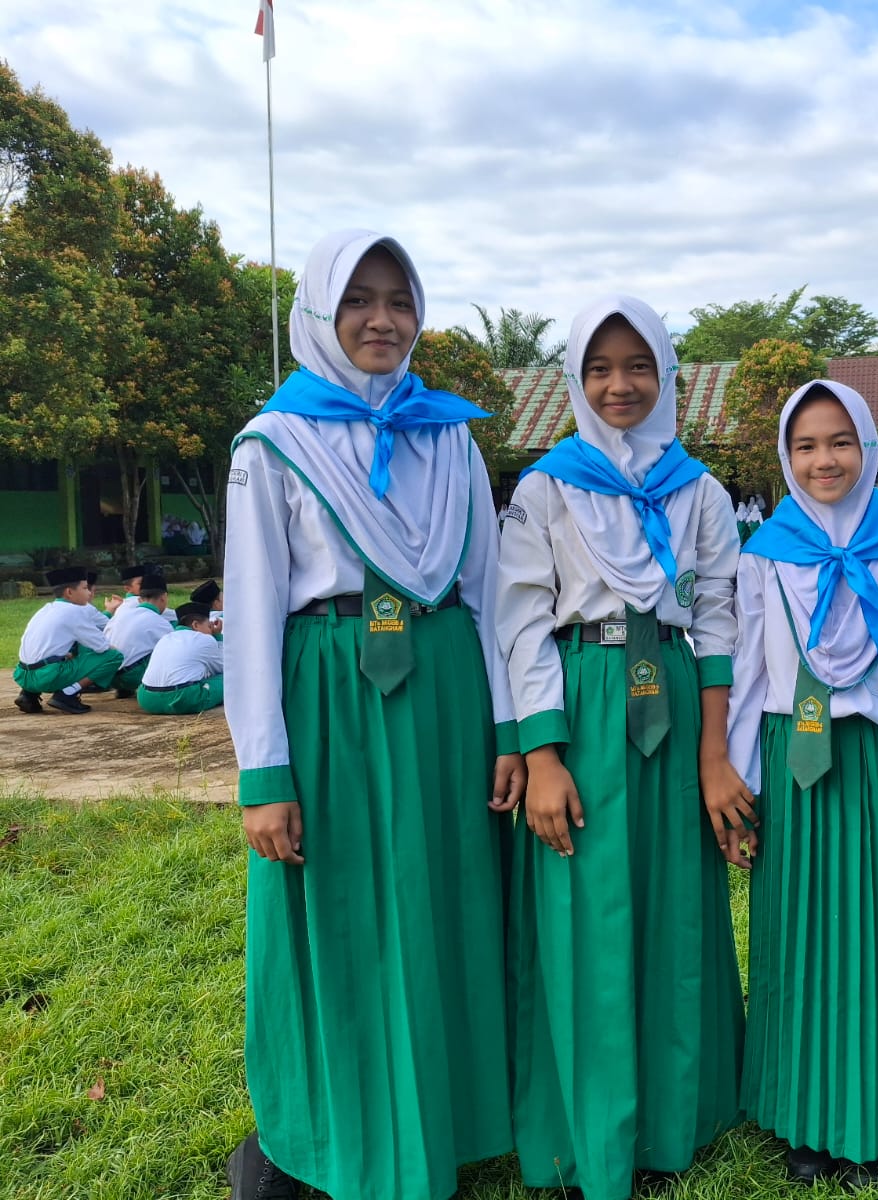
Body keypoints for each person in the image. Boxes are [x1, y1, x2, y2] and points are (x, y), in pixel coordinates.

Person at [223, 229, 521, 1200]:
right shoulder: (275, 442)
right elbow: (256, 607)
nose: (381, 319)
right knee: (340, 913)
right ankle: (326, 1134)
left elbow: (487, 592)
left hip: (442, 693)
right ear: (319, 312)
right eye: (359, 298)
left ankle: (444, 1125)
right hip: (330, 698)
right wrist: (264, 773)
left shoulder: (451, 436)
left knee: (444, 903)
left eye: (398, 298)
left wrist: (509, 728)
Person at [496, 295, 743, 1200]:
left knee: (675, 905)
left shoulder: (699, 490)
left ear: (667, 373)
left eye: (638, 365)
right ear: (574, 380)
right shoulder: (546, 486)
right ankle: (580, 1137)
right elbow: (520, 619)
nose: (620, 385)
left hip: (675, 696)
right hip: (586, 693)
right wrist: (545, 752)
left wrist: (715, 752)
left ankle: (673, 1121)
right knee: (584, 912)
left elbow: (718, 618)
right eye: (599, 368)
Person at [730, 380, 878, 1188]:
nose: (823, 459)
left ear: (867, 448)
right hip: (794, 770)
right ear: (785, 459)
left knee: (877, 938)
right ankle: (803, 1117)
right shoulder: (765, 552)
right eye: (805, 445)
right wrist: (741, 786)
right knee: (798, 941)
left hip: (876, 766)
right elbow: (748, 673)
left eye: (839, 442)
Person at [12, 567, 123, 715]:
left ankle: (29, 695)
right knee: (114, 656)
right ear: (69, 592)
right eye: (85, 588)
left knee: (61, 655)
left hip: (22, 675)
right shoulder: (75, 612)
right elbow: (102, 647)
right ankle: (67, 694)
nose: (89, 593)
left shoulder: (45, 609)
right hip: (47, 677)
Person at [137, 602, 225, 713]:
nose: (210, 630)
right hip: (181, 698)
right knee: (231, 678)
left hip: (147, 699)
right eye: (209, 626)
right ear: (196, 625)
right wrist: (217, 636)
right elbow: (225, 666)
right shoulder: (204, 639)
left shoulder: (165, 638)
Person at [105, 568, 176, 696]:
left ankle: (124, 690)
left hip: (109, 677)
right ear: (164, 597)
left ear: (140, 598)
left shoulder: (122, 612)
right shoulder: (159, 622)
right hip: (132, 677)